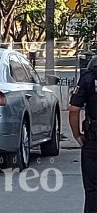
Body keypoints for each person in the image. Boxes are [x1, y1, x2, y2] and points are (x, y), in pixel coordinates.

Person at [69, 56, 97, 213]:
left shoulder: (88, 78)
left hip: (93, 140)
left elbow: (74, 110)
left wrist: (77, 135)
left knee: (92, 188)